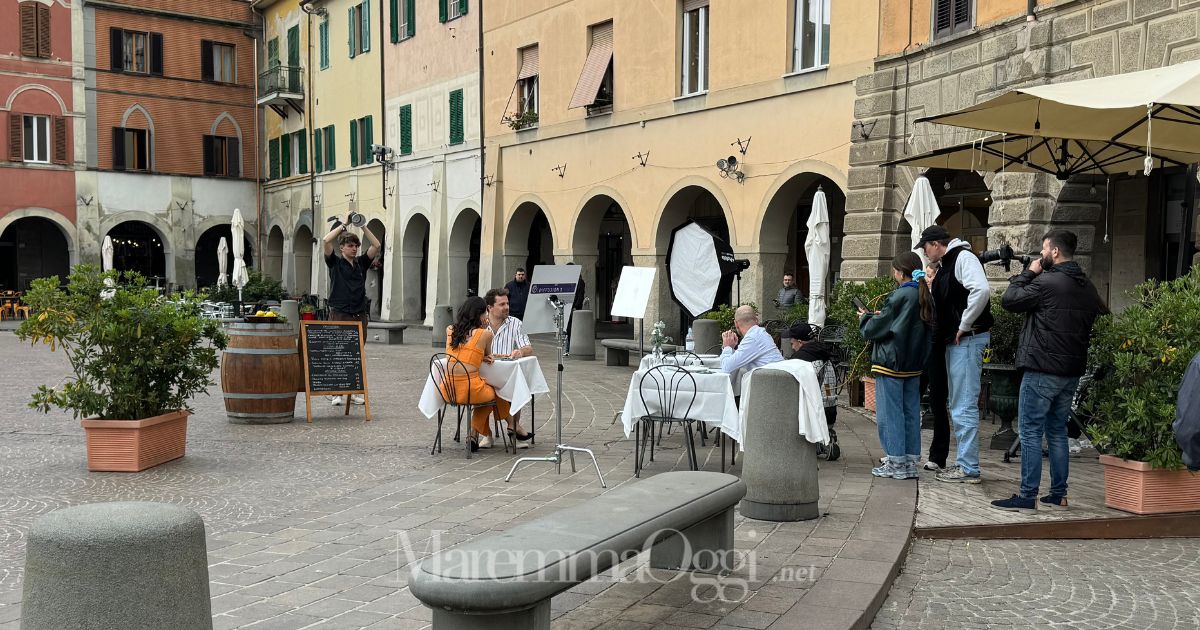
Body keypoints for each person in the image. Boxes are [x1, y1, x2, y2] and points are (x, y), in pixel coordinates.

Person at [991, 229, 1106, 512]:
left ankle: (1027, 495)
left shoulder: (1047, 282)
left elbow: (1010, 300)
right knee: (1056, 432)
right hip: (1070, 371)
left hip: (1042, 368)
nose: (1041, 255)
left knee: (1030, 431)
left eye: (1044, 249)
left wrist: (1029, 272)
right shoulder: (1087, 286)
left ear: (1054, 251)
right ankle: (1058, 493)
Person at [916, 225, 992, 484]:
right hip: (958, 340)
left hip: (966, 340)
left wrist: (964, 325)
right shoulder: (950, 262)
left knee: (963, 405)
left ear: (936, 244)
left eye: (925, 247)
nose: (924, 253)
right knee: (959, 404)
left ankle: (968, 467)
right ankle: (966, 465)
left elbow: (981, 291)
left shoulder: (962, 258)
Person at [859, 252, 932, 480]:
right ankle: (909, 461)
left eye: (894, 270)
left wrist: (865, 317)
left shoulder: (900, 295)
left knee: (890, 415)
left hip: (891, 362)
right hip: (914, 363)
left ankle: (895, 463)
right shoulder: (923, 294)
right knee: (910, 412)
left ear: (900, 272)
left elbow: (874, 329)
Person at [443, 297, 534, 451]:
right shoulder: (485, 334)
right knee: (495, 390)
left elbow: (472, 353)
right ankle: (512, 425)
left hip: (448, 388)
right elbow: (489, 357)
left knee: (485, 388)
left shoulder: (450, 329)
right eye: (484, 313)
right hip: (470, 390)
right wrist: (484, 332)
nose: (486, 317)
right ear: (479, 314)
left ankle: (479, 434)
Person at [323, 211, 382, 406]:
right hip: (339, 312)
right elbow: (325, 240)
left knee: (356, 354)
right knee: (338, 354)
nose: (355, 248)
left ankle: (354, 392)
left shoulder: (361, 264)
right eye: (350, 245)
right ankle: (337, 394)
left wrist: (362, 224)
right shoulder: (335, 263)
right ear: (342, 248)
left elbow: (376, 245)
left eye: (356, 245)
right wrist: (345, 224)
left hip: (359, 314)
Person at [920, 262, 952, 471]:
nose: (929, 280)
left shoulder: (944, 296)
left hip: (938, 354)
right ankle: (907, 452)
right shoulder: (921, 296)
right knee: (912, 399)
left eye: (932, 276)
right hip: (922, 354)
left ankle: (938, 457)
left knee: (938, 404)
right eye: (927, 276)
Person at [788, 322, 838, 428]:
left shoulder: (800, 359)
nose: (792, 347)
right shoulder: (824, 352)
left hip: (815, 414)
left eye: (792, 343)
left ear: (800, 342)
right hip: (831, 410)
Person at [719, 305, 785, 374]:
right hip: (776, 379)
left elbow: (726, 368)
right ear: (756, 320)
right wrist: (731, 348)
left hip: (771, 382)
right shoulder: (759, 333)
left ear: (736, 323)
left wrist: (727, 347)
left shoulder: (752, 338)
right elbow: (736, 361)